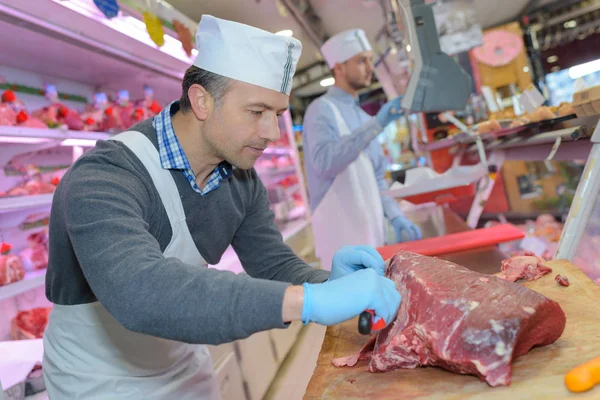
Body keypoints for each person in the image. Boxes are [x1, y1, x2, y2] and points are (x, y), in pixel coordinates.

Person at [41, 15, 401, 400]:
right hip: (97, 382)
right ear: (201, 101)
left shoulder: (240, 181)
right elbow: (140, 292)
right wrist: (308, 302)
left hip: (183, 366)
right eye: (256, 111)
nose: (272, 133)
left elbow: (273, 265)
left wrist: (327, 283)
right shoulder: (105, 177)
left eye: (277, 114)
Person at [302, 29, 422, 271]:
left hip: (373, 236)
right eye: (361, 61)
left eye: (369, 60)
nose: (369, 67)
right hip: (340, 241)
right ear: (339, 67)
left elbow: (377, 177)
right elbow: (324, 163)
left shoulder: (362, 115)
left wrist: (395, 215)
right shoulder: (320, 109)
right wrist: (377, 124)